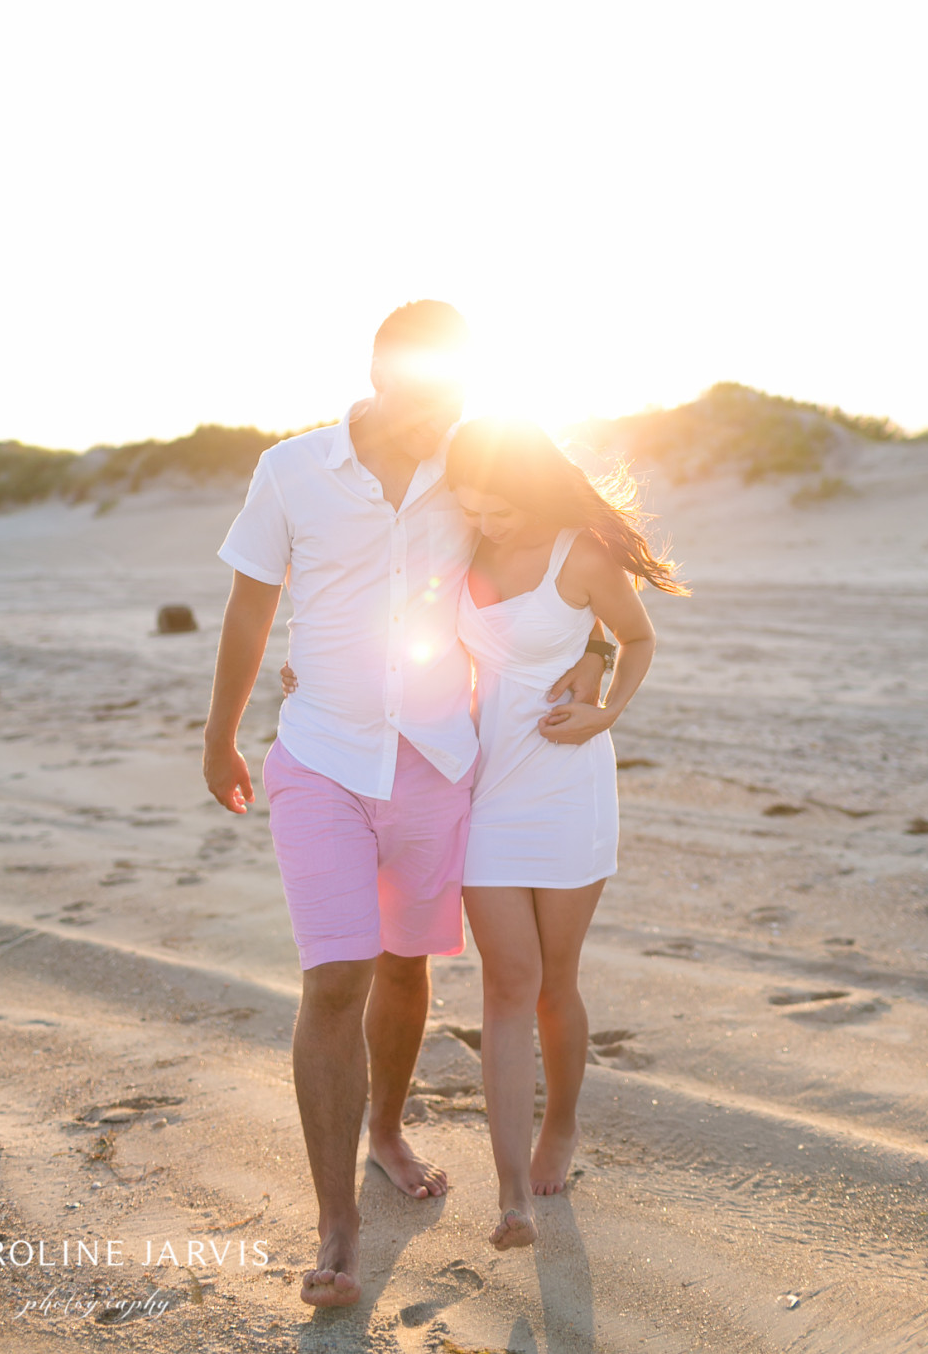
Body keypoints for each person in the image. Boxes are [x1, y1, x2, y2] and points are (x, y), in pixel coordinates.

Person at [201, 303, 606, 1309]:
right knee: (334, 976)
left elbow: (571, 549)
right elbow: (252, 601)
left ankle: (385, 1129)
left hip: (435, 758)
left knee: (402, 962)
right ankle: (336, 1222)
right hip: (321, 759)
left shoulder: (471, 475)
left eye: (457, 399)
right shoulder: (291, 469)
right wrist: (220, 732)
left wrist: (595, 660)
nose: (442, 420)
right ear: (378, 380)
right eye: (427, 399)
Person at [443, 417, 688, 1250]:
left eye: (498, 507)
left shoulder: (580, 554)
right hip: (487, 792)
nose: (483, 521)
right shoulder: (457, 552)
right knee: (506, 985)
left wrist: (604, 707)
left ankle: (564, 1124)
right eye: (470, 506)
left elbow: (639, 635)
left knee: (556, 984)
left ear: (532, 489)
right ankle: (511, 1194)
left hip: (570, 787)